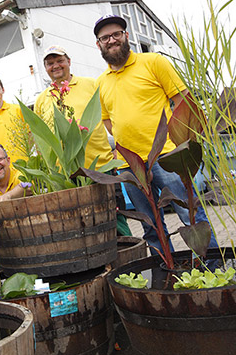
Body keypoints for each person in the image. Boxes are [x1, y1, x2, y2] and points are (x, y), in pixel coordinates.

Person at [93, 14, 218, 253]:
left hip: (167, 156)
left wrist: (184, 142)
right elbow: (108, 121)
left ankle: (213, 266)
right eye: (105, 37)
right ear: (98, 44)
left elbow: (182, 101)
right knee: (150, 225)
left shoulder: (153, 62)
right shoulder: (100, 82)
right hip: (130, 165)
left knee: (189, 215)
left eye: (116, 34)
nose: (111, 40)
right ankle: (167, 270)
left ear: (126, 36)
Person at [34, 45, 132, 236]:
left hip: (100, 167)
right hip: (67, 176)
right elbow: (41, 138)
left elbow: (112, 115)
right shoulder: (42, 99)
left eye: (60, 60)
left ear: (69, 62)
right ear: (45, 68)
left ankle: (129, 260)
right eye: (50, 63)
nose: (56, 66)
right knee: (81, 227)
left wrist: (119, 146)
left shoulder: (92, 84)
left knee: (115, 217)